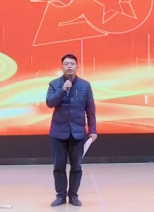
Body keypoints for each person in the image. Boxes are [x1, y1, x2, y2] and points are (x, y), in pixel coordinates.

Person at [46, 54, 97, 207]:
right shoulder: (54, 84)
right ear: (62, 67)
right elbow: (50, 103)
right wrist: (62, 90)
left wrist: (93, 130)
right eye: (66, 64)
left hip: (77, 132)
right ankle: (61, 196)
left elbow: (90, 110)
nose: (69, 66)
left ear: (77, 66)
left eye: (72, 64)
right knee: (59, 166)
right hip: (58, 133)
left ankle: (73, 195)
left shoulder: (85, 86)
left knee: (76, 167)